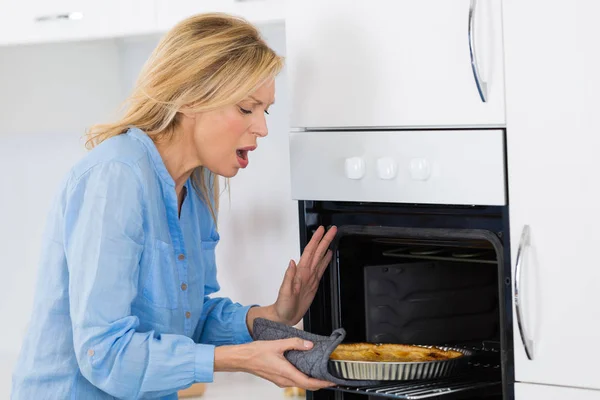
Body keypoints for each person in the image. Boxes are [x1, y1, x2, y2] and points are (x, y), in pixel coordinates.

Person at [11, 13, 338, 399]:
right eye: (247, 108)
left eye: (264, 111)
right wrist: (238, 358)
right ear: (193, 99)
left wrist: (269, 317)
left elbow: (188, 320)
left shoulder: (197, 185)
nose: (262, 128)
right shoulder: (116, 177)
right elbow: (105, 355)